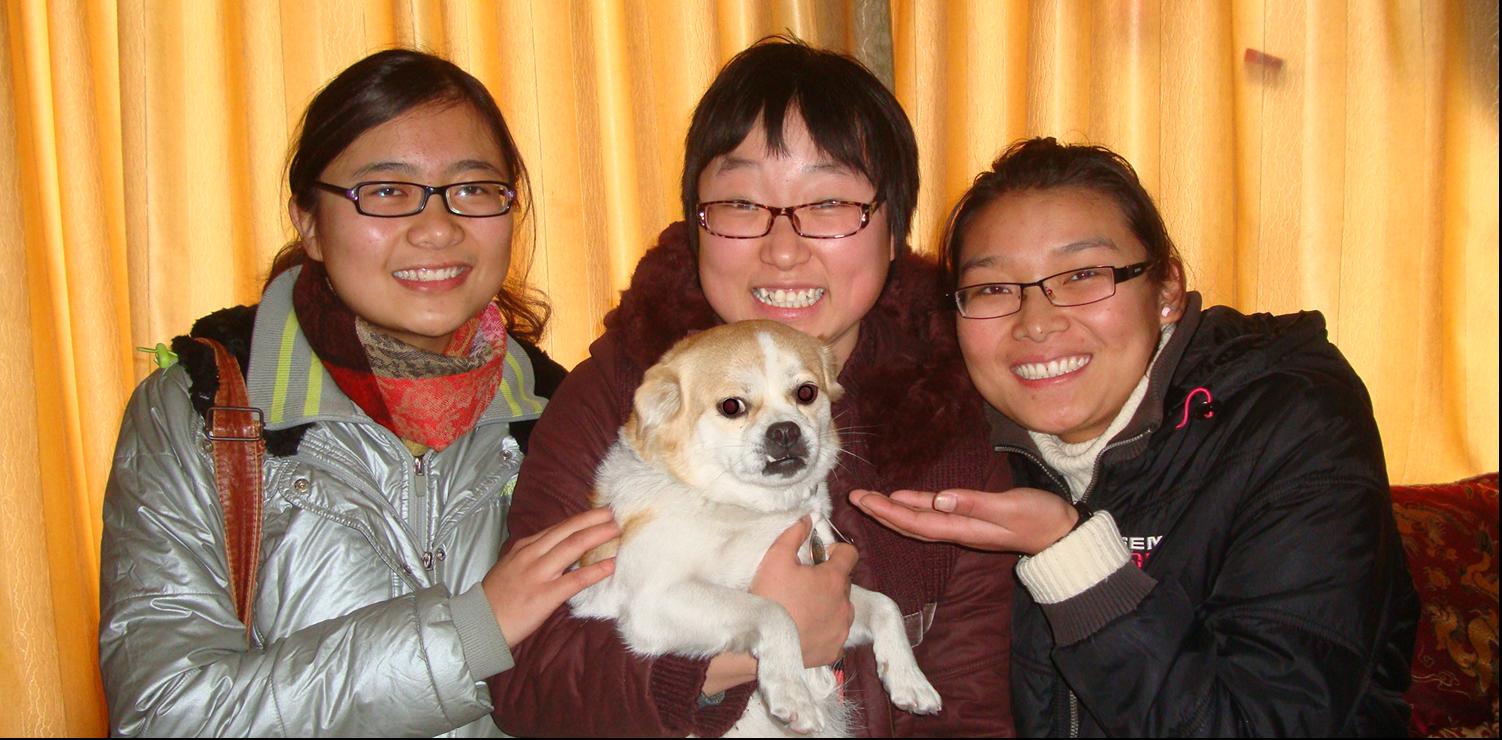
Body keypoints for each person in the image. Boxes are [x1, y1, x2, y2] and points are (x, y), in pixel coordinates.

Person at [488, 38, 1016, 737]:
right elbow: (524, 684)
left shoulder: (956, 430)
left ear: (894, 232)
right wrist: (728, 663)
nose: (784, 246)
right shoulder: (617, 400)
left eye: (828, 202)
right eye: (741, 203)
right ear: (696, 222)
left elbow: (967, 716)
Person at [98, 49, 619, 737]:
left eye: (474, 189)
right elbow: (166, 717)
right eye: (386, 191)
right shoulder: (204, 415)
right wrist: (468, 635)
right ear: (309, 221)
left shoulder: (568, 421)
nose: (438, 228)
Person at [850, 137, 1420, 736]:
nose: (1037, 322)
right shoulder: (958, 450)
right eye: (994, 289)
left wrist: (1071, 556)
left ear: (1168, 289)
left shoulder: (1291, 424)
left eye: (1083, 275)